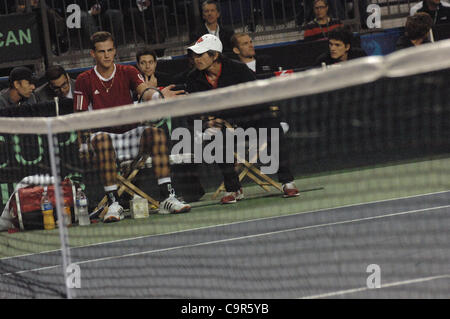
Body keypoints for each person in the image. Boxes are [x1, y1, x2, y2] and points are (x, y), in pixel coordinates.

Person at [74, 31, 190, 222]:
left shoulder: (127, 71)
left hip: (131, 133)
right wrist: (83, 144)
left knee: (157, 135)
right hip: (104, 135)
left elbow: (144, 92)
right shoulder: (83, 79)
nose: (107, 55)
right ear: (92, 54)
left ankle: (167, 197)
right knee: (101, 140)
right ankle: (114, 203)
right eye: (101, 51)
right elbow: (79, 115)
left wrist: (158, 96)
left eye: (110, 50)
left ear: (115, 51)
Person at [186, 34, 300, 204]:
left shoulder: (238, 70)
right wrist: (205, 122)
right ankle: (234, 189)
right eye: (194, 55)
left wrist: (226, 117)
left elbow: (258, 100)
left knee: (272, 124)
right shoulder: (193, 79)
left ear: (215, 55)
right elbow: (192, 111)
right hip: (221, 128)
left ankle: (287, 181)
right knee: (215, 135)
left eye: (200, 55)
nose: (196, 59)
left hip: (248, 121)